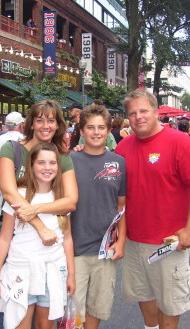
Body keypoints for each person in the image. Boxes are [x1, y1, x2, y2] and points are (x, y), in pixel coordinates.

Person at [114, 89, 190, 329]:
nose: (139, 117)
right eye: (133, 113)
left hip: (169, 240)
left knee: (170, 302)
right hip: (133, 239)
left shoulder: (179, 141)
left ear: (156, 112)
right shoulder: (123, 147)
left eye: (144, 111)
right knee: (142, 293)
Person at [0, 99, 78, 329]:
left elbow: (70, 200)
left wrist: (37, 209)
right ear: (30, 123)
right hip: (4, 233)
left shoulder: (61, 157)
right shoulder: (12, 149)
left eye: (51, 120)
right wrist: (40, 226)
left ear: (58, 124)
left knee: (39, 311)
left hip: (45, 246)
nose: (45, 125)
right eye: (40, 119)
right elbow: (9, 192)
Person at [0, 143, 75, 329]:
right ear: (31, 165)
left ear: (59, 167)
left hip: (53, 269)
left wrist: (71, 275)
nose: (47, 167)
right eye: (41, 162)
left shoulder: (62, 199)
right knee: (20, 322)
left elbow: (67, 238)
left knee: (46, 324)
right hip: (20, 269)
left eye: (52, 163)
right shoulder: (18, 196)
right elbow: (5, 238)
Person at [70, 104, 126, 329]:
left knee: (97, 308)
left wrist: (121, 242)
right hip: (74, 250)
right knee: (72, 312)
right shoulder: (69, 160)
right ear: (81, 130)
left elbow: (122, 207)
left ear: (108, 129)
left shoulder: (119, 162)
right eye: (90, 127)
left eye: (101, 127)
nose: (96, 132)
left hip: (106, 249)